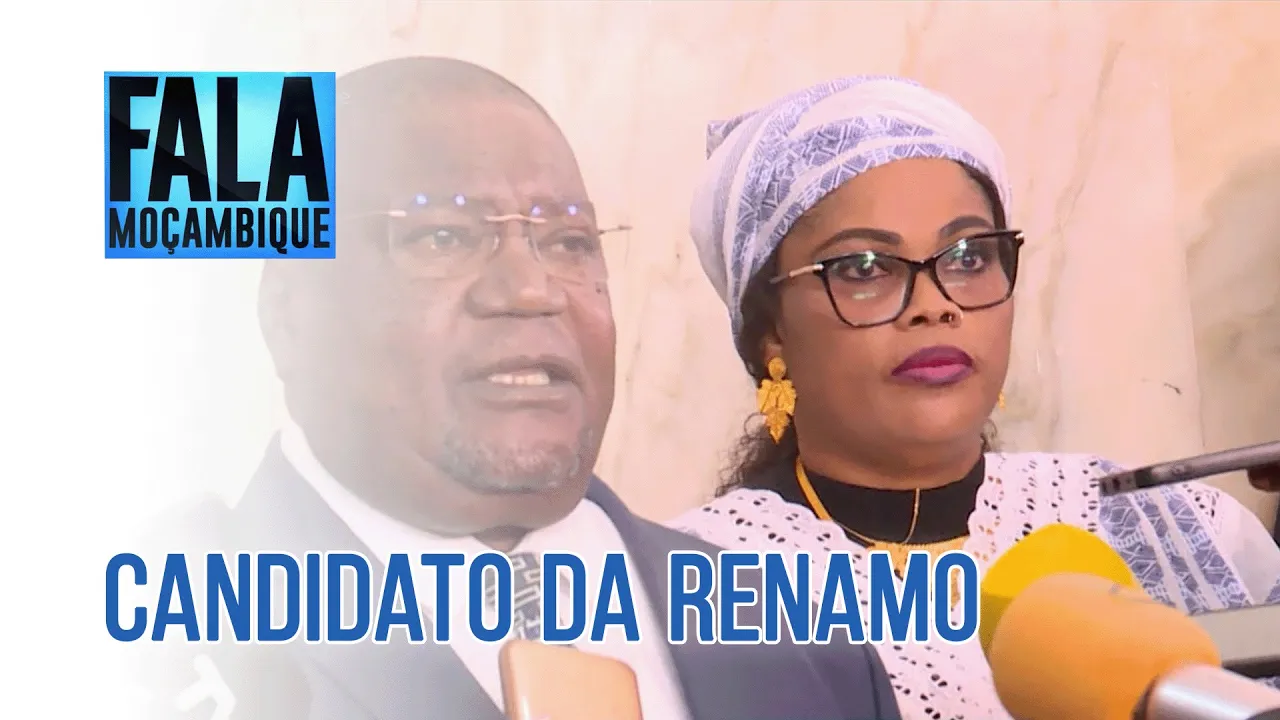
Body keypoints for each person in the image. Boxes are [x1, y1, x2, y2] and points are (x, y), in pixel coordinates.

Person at [130, 58, 901, 720]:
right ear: (292, 315)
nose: (532, 290)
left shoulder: (805, 644)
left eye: (568, 241)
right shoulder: (150, 655)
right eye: (442, 236)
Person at [669, 75, 1280, 719]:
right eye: (863, 268)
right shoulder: (691, 585)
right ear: (770, 330)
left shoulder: (1174, 524)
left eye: (967, 257)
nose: (935, 305)